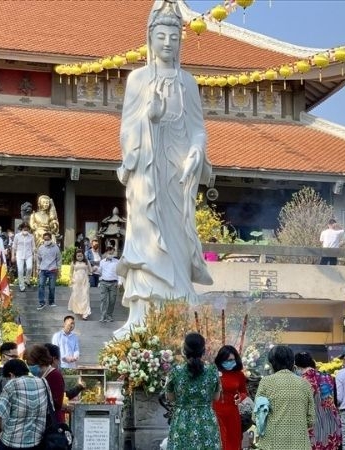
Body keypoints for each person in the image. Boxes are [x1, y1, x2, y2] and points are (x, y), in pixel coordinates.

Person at [116, 0, 213, 336]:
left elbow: (198, 126)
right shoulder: (138, 79)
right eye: (162, 35)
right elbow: (127, 127)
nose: (168, 42)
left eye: (174, 36)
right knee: (148, 236)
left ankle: (179, 311)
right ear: (150, 38)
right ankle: (143, 316)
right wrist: (149, 117)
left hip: (178, 172)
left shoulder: (188, 82)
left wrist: (196, 152)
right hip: (147, 169)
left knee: (179, 240)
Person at [165, 333, 221, 450]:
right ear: (203, 350)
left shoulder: (176, 371)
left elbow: (170, 397)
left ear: (184, 350)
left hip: (182, 421)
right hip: (206, 421)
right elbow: (216, 397)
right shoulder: (212, 371)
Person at [255, 345, 315, 450]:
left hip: (272, 444)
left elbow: (257, 415)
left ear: (272, 363)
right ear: (292, 362)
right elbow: (311, 420)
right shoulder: (305, 384)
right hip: (300, 444)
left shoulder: (266, 382)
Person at [0, 358, 48, 450]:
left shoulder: (12, 384)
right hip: (36, 442)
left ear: (11, 375)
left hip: (12, 443)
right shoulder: (43, 382)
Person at [294, 352, 342, 450]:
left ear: (297, 367)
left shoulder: (301, 382)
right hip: (332, 426)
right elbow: (335, 401)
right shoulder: (328, 377)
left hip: (315, 429)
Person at [213, 345, 248, 450]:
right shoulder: (213, 373)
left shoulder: (239, 375)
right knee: (218, 442)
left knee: (233, 442)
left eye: (231, 360)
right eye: (226, 360)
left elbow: (243, 392)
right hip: (215, 412)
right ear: (220, 360)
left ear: (236, 359)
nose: (229, 362)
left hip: (232, 413)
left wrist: (240, 397)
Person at [25, 344, 66, 424]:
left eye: (31, 365)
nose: (30, 368)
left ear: (40, 362)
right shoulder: (39, 376)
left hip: (52, 423)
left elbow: (56, 404)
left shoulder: (54, 375)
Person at [36, 231, 61, 310]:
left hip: (52, 269)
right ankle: (41, 302)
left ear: (51, 239)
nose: (46, 241)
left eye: (48, 239)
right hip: (43, 270)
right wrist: (38, 267)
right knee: (41, 286)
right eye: (45, 239)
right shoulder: (41, 248)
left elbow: (59, 259)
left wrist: (59, 268)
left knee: (52, 287)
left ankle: (51, 301)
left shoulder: (56, 248)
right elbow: (38, 259)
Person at [0, 342, 19, 411]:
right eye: (13, 356)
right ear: (3, 356)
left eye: (17, 357)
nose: (16, 360)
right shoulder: (5, 376)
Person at [97, 245, 120, 323]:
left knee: (112, 300)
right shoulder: (102, 262)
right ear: (106, 253)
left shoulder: (117, 262)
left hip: (113, 283)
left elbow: (119, 272)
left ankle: (109, 316)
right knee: (103, 300)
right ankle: (103, 316)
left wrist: (119, 282)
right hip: (104, 282)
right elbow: (100, 271)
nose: (110, 254)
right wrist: (95, 270)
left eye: (112, 253)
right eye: (109, 253)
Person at [67, 250, 92, 320]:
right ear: (75, 256)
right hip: (76, 282)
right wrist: (71, 280)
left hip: (84, 282)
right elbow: (71, 273)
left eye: (81, 256)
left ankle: (85, 313)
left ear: (83, 255)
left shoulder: (86, 262)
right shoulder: (73, 263)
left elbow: (91, 270)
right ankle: (78, 309)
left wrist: (93, 270)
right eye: (78, 256)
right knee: (76, 296)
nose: (79, 257)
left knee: (85, 296)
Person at [13, 223, 35, 292]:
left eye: (27, 229)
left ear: (28, 229)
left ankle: (27, 280)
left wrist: (34, 255)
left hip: (29, 254)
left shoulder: (31, 236)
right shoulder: (17, 236)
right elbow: (14, 246)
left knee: (29, 268)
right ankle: (22, 286)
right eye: (24, 228)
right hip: (19, 255)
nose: (25, 230)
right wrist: (12, 255)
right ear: (21, 229)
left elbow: (33, 246)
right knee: (20, 270)